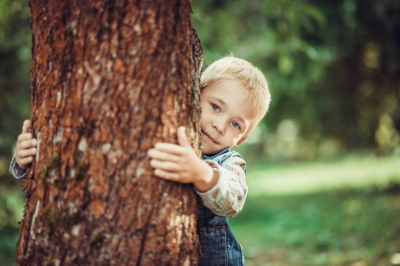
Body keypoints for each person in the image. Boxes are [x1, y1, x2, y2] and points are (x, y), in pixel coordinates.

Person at [10, 56, 271, 265]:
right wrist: (26, 160)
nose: (219, 125)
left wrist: (202, 174)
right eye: (215, 107)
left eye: (236, 124)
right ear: (194, 96)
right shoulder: (166, 128)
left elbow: (233, 198)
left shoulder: (229, 162)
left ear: (242, 138)